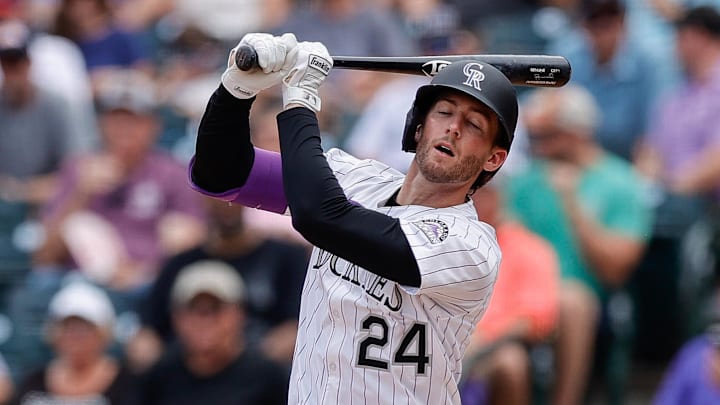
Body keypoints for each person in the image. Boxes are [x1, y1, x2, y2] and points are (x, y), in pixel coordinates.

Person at [190, 32, 518, 403]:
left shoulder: (471, 245)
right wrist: (236, 89)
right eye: (444, 112)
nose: (454, 128)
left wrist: (300, 103)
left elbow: (321, 219)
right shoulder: (356, 178)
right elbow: (220, 173)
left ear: (494, 158)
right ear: (418, 126)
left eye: (474, 125)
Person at [505, 85, 653, 405]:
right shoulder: (525, 180)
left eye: (548, 136)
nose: (539, 147)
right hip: (520, 291)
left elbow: (617, 269)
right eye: (534, 138)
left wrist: (574, 207)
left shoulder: (622, 182)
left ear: (577, 133)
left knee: (573, 301)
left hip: (579, 295)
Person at [128, 196, 308, 372]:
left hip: (259, 374)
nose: (226, 203)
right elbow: (147, 333)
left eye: (232, 193)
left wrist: (249, 365)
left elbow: (298, 326)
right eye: (216, 194)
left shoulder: (287, 257)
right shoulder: (180, 264)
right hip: (189, 374)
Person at [460, 179, 560, 405]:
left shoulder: (530, 248)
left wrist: (482, 341)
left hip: (491, 348)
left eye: (479, 192)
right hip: (440, 338)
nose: (471, 199)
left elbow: (536, 320)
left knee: (510, 362)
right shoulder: (442, 240)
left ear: (497, 197)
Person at [138, 260, 289, 405]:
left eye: (215, 309)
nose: (204, 321)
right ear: (176, 317)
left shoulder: (268, 376)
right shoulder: (159, 375)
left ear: (239, 314)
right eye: (193, 309)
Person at [10, 281, 140, 405]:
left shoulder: (127, 384)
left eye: (84, 330)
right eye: (67, 329)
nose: (75, 338)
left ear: (103, 334)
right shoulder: (33, 381)